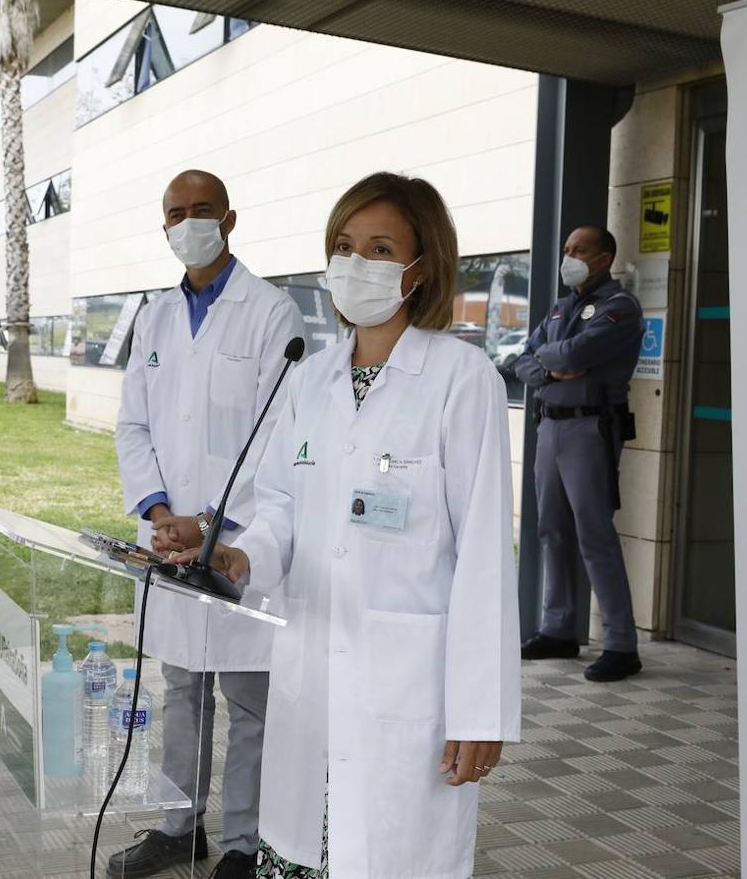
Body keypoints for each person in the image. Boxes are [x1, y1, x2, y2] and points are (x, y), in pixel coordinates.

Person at [184, 172, 520, 877]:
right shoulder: (310, 378)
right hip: (312, 678)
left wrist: (481, 711)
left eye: (378, 248)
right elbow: (281, 506)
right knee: (301, 848)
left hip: (408, 688)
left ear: (420, 268)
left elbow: (486, 556)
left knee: (388, 857)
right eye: (344, 246)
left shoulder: (463, 379)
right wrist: (240, 557)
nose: (355, 264)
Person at [113, 170, 303, 878]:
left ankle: (243, 844)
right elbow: (133, 424)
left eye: (201, 211)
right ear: (162, 226)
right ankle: (178, 825)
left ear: (229, 218)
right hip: (165, 536)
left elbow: (276, 436)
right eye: (175, 213)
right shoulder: (155, 316)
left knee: (247, 696)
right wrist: (159, 512)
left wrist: (209, 524)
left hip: (237, 539)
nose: (188, 223)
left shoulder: (271, 312)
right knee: (181, 686)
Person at [515, 225, 645, 682]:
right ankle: (559, 629)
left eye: (580, 250)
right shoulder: (561, 305)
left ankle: (621, 644)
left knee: (594, 533)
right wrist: (551, 370)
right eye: (567, 249)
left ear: (604, 257)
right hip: (550, 425)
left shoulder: (618, 308)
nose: (569, 256)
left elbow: (573, 355)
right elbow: (523, 359)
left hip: (591, 427)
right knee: (552, 530)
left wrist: (551, 359)